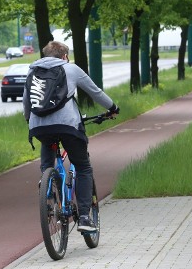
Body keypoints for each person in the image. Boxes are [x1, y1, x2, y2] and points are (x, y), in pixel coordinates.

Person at [22, 41, 119, 232]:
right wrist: (112, 108)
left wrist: (31, 121)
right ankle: (84, 217)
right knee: (83, 166)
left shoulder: (33, 72)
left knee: (48, 146)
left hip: (39, 126)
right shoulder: (71, 69)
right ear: (64, 56)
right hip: (67, 125)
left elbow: (27, 102)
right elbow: (95, 92)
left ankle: (47, 182)